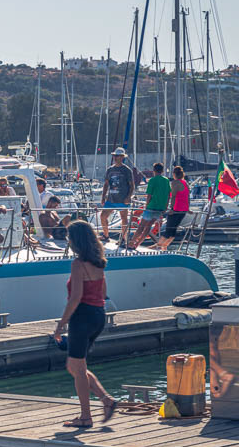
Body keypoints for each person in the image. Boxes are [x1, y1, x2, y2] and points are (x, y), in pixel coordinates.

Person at [53, 220, 117, 428]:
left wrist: (61, 324)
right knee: (75, 366)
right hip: (98, 315)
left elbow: (75, 298)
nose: (68, 241)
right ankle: (107, 401)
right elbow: (103, 293)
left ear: (76, 240)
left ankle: (86, 417)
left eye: (69, 238)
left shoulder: (78, 264)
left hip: (82, 317)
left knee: (78, 369)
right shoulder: (99, 263)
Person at [130, 162, 171, 249]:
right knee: (148, 227)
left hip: (151, 207)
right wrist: (166, 207)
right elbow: (168, 195)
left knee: (141, 226)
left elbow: (149, 195)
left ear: (154, 170)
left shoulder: (152, 180)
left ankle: (131, 243)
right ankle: (137, 244)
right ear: (162, 171)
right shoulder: (166, 180)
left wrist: (146, 205)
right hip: (160, 208)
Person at [99, 147, 135, 245]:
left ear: (122, 157)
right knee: (103, 216)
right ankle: (106, 236)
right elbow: (106, 184)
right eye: (114, 155)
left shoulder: (127, 170)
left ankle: (123, 238)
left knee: (124, 218)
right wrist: (103, 197)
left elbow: (132, 185)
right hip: (111, 199)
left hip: (122, 199)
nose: (115, 157)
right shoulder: (110, 169)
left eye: (117, 156)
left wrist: (128, 197)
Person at [153, 166, 189, 251]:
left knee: (168, 230)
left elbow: (173, 196)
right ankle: (164, 247)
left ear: (174, 174)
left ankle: (158, 246)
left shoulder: (175, 183)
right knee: (173, 231)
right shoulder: (185, 183)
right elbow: (187, 197)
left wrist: (171, 209)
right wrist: (188, 209)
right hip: (183, 210)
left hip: (176, 209)